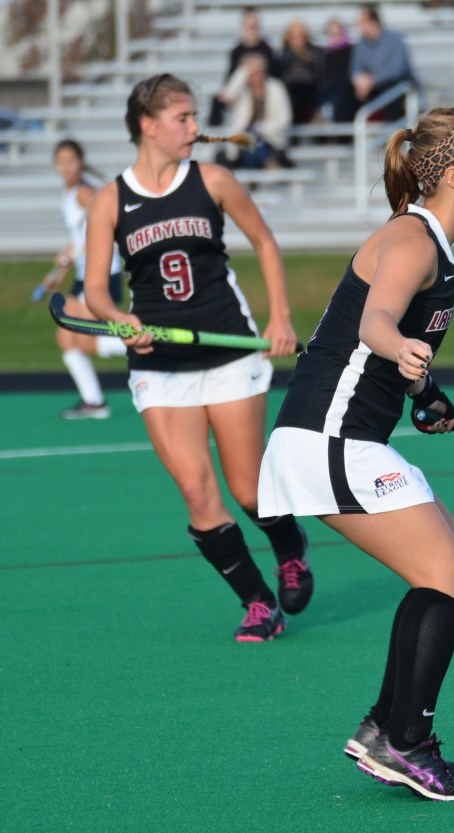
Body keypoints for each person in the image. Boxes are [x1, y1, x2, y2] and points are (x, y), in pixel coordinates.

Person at [258, 107, 454, 800]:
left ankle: (385, 728)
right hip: (327, 441)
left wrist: (425, 389)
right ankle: (408, 741)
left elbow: (390, 342)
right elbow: (376, 317)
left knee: (448, 566)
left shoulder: (432, 243)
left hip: (341, 438)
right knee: (447, 569)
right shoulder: (412, 239)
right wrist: (397, 346)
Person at [83, 73, 312, 641]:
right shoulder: (111, 199)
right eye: (182, 118)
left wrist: (280, 317)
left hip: (230, 350)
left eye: (193, 116)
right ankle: (258, 602)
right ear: (147, 124)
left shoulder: (213, 180)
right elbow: (94, 289)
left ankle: (290, 548)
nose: (194, 127)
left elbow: (264, 242)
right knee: (196, 491)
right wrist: (120, 320)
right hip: (159, 365)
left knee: (249, 489)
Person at [36, 139, 125, 419]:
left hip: (102, 272)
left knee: (85, 340)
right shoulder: (69, 194)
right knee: (65, 336)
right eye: (61, 161)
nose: (66, 166)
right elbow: (75, 240)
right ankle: (94, 402)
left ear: (80, 161)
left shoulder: (85, 192)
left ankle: (146, 340)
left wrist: (83, 249)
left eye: (71, 160)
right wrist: (59, 270)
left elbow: (110, 220)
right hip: (83, 273)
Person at [214, 54, 293, 170]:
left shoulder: (276, 88)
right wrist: (242, 72)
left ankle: (261, 168)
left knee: (257, 146)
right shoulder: (242, 90)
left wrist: (263, 129)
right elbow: (227, 96)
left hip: (269, 137)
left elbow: (285, 118)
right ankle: (267, 165)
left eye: (258, 72)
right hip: (244, 138)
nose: (256, 76)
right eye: (252, 73)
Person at [209, 6, 279, 127]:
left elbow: (273, 75)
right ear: (242, 26)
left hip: (261, 91)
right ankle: (215, 139)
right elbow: (230, 75)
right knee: (217, 100)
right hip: (242, 91)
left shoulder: (266, 49)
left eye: (255, 26)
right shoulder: (236, 51)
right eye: (249, 26)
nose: (252, 29)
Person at [350, 4, 417, 122]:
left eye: (360, 23)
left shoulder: (395, 39)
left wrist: (372, 81)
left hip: (396, 85)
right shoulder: (361, 44)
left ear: (372, 22)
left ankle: (392, 135)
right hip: (372, 88)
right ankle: (346, 136)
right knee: (347, 93)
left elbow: (398, 70)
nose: (358, 27)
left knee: (392, 91)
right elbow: (355, 69)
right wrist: (359, 81)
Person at [278, 20, 324, 126]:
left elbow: (320, 77)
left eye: (302, 36)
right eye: (295, 36)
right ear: (289, 38)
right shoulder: (284, 57)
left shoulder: (316, 54)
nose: (299, 40)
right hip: (293, 94)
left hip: (312, 92)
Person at [321, 17, 357, 124]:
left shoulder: (352, 50)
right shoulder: (327, 55)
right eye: (332, 34)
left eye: (338, 33)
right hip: (333, 92)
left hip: (349, 91)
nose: (335, 37)